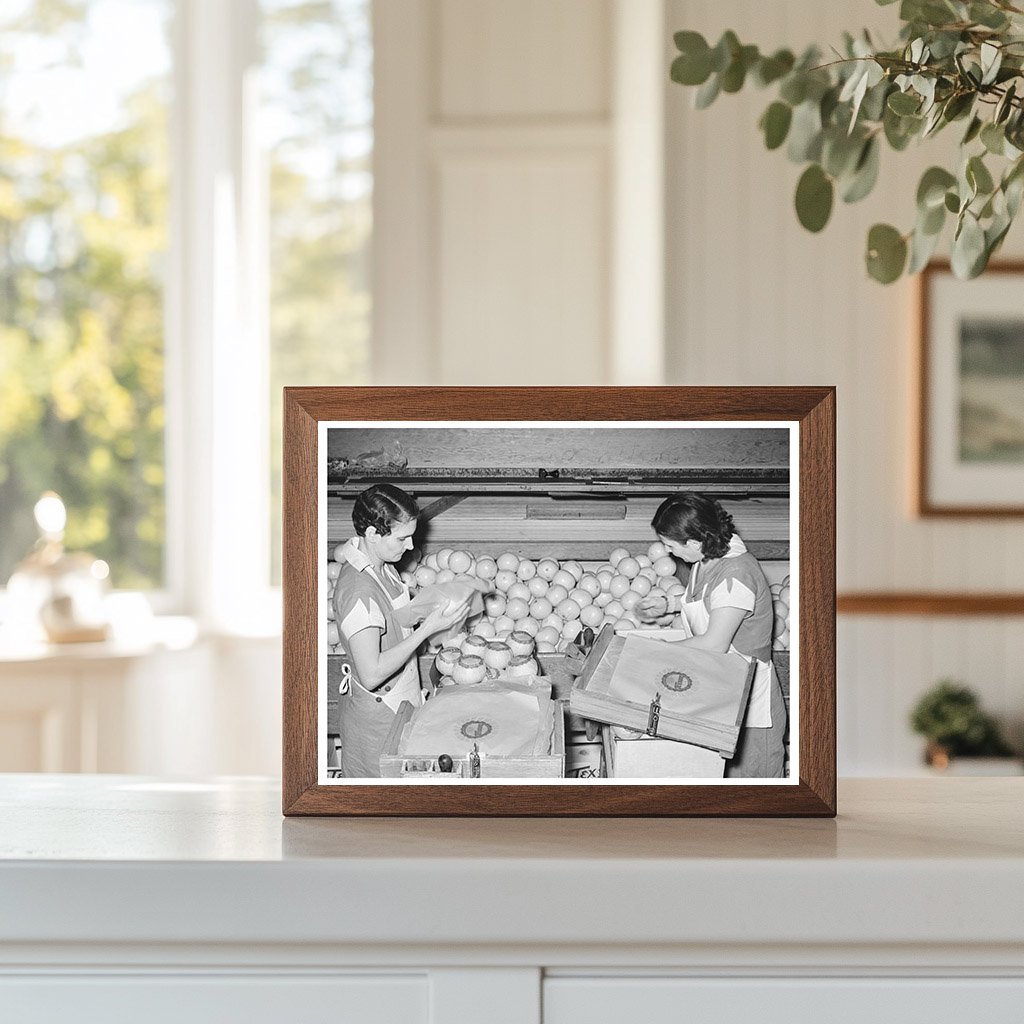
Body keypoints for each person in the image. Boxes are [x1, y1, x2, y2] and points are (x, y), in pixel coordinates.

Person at [638, 492, 787, 778]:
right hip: (722, 690)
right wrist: (669, 604)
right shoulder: (705, 560)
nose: (668, 552)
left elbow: (714, 643)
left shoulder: (736, 573)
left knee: (756, 797)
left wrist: (655, 651)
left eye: (670, 545)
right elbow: (713, 604)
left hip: (749, 708)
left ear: (693, 542)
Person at [333, 483, 469, 777]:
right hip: (379, 718)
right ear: (372, 534)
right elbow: (371, 674)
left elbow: (392, 618)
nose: (410, 547)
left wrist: (427, 610)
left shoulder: (379, 563)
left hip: (402, 698)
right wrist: (427, 631)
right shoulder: (358, 592)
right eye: (402, 538)